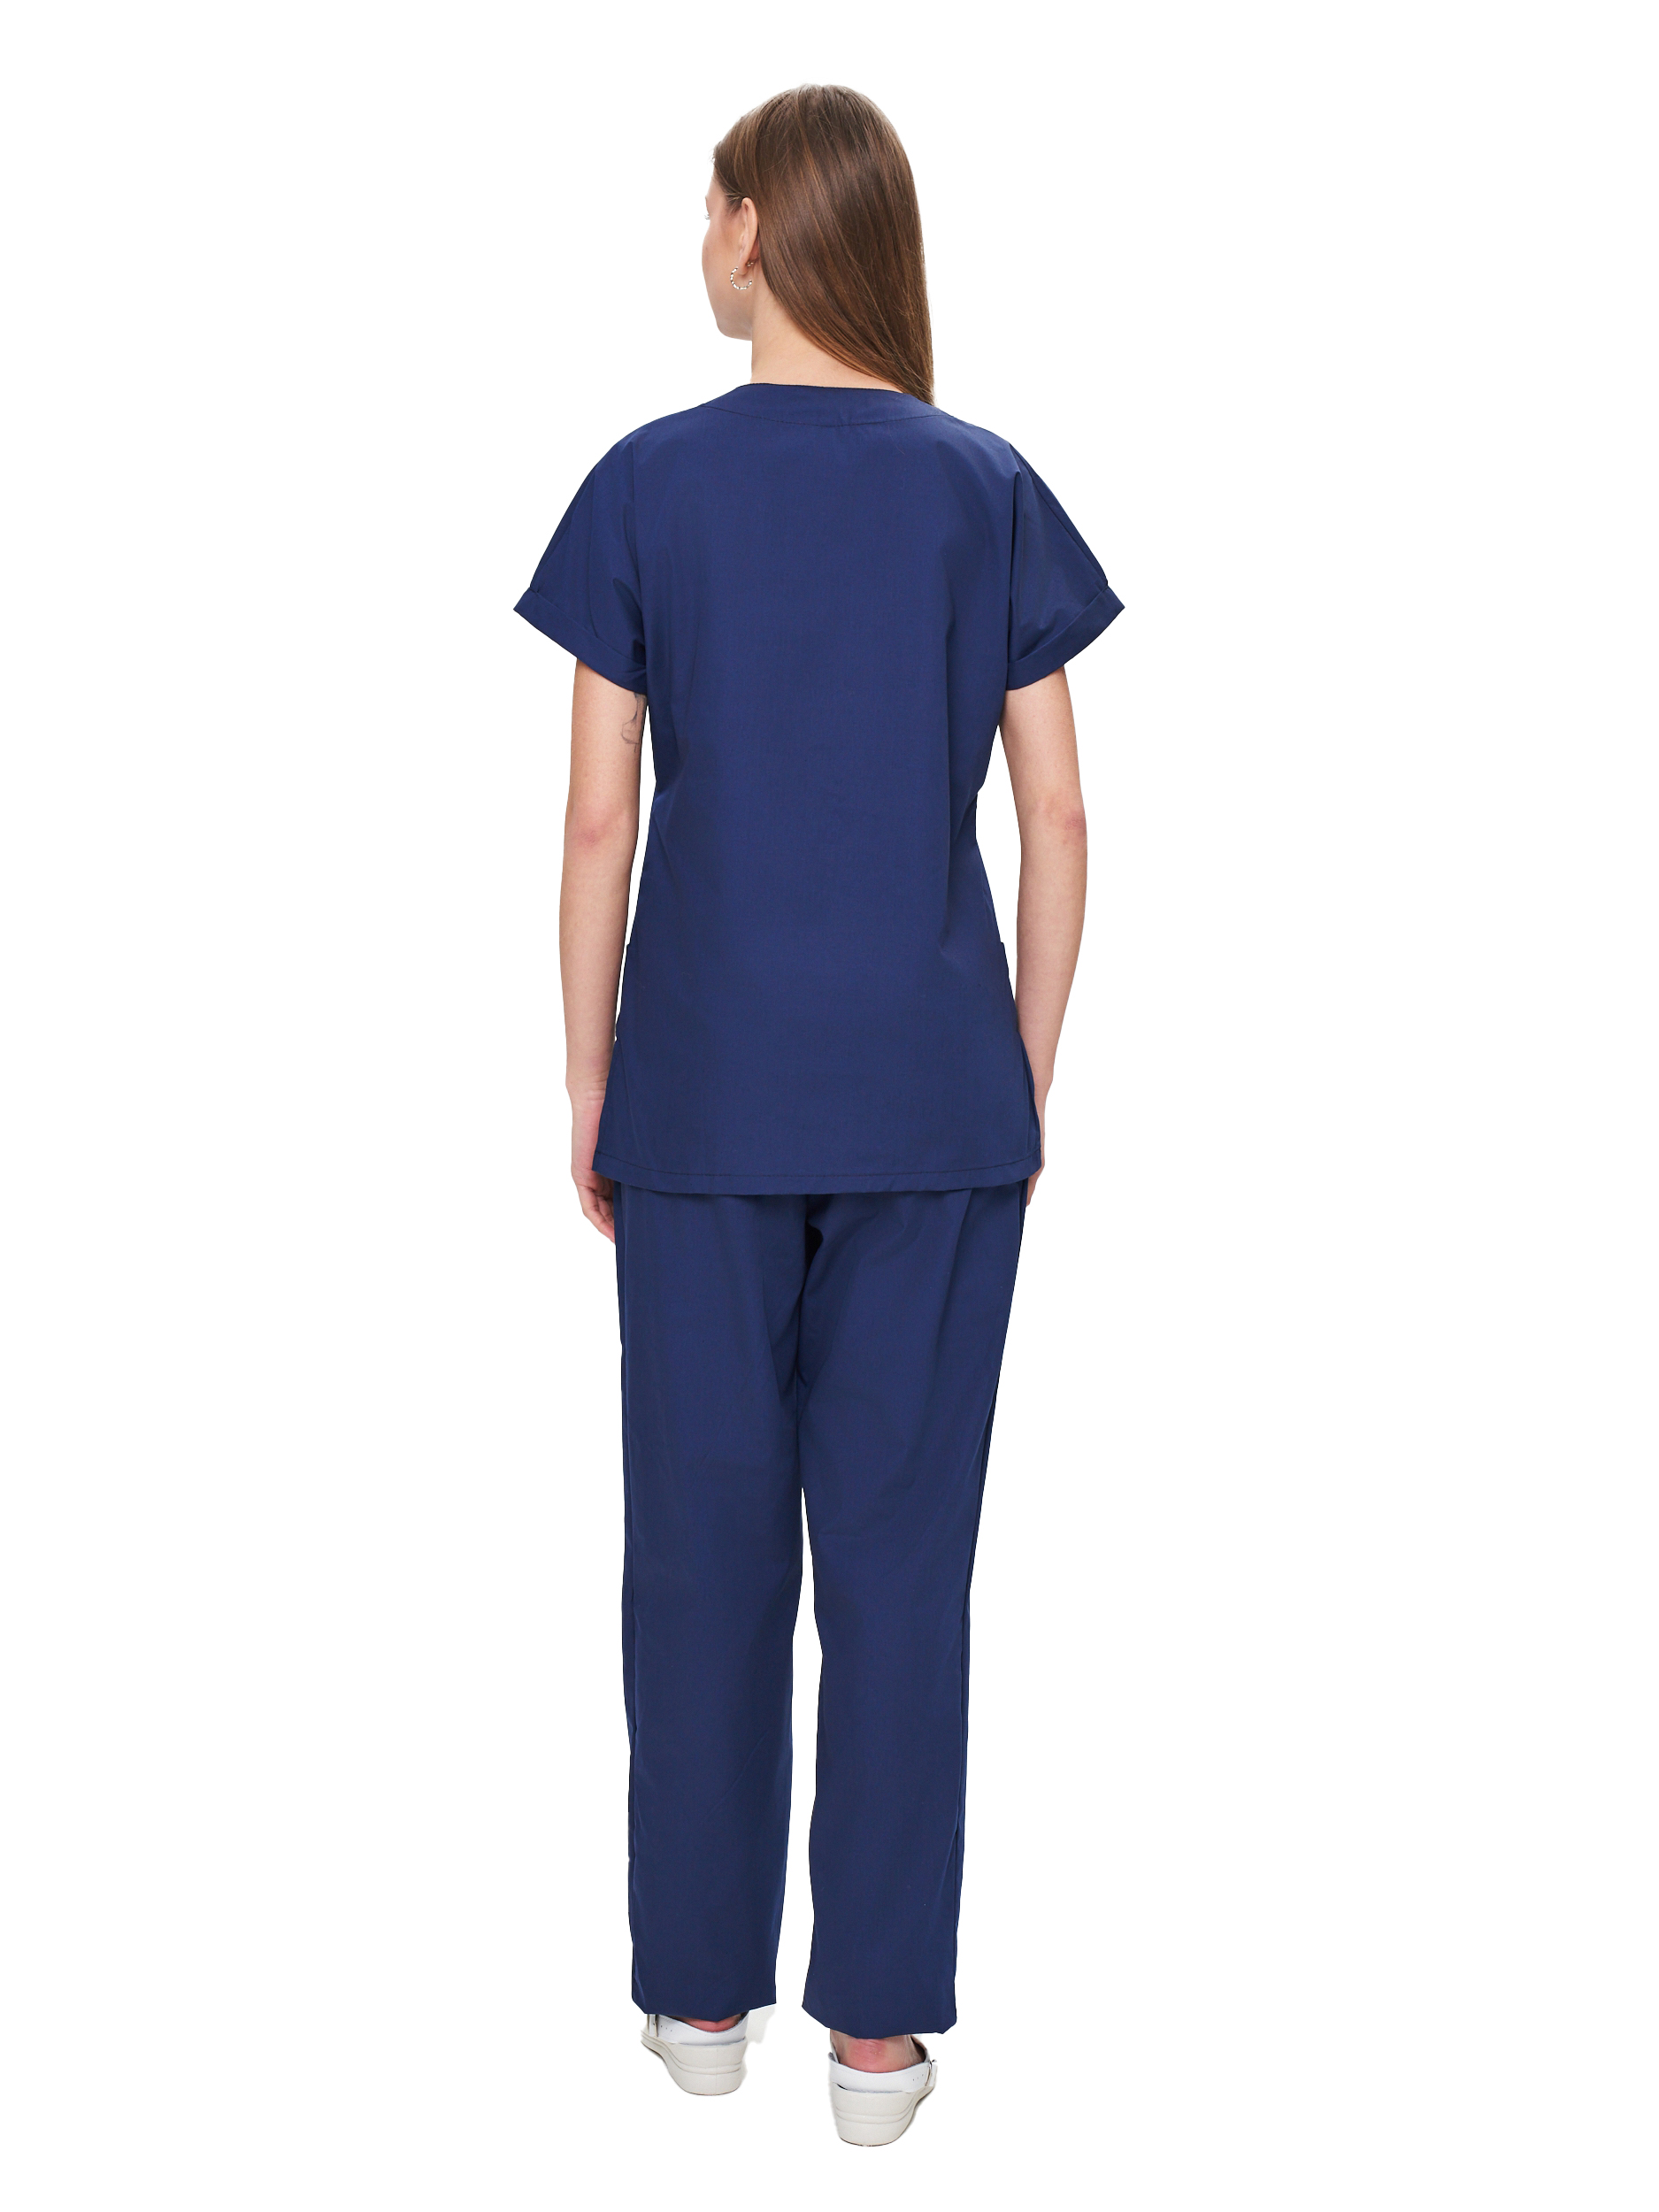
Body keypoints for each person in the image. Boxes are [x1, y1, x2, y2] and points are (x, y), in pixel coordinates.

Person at [515, 84, 1122, 2147]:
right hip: (936, 1106)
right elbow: (1057, 816)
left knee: (696, 1557)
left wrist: (586, 1074)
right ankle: (874, 2040)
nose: (696, 239)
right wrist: (1016, 1069)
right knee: (896, 1569)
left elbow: (595, 821)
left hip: (695, 1095)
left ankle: (699, 2002)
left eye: (705, 207)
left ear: (758, 226)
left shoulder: (644, 486)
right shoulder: (984, 485)